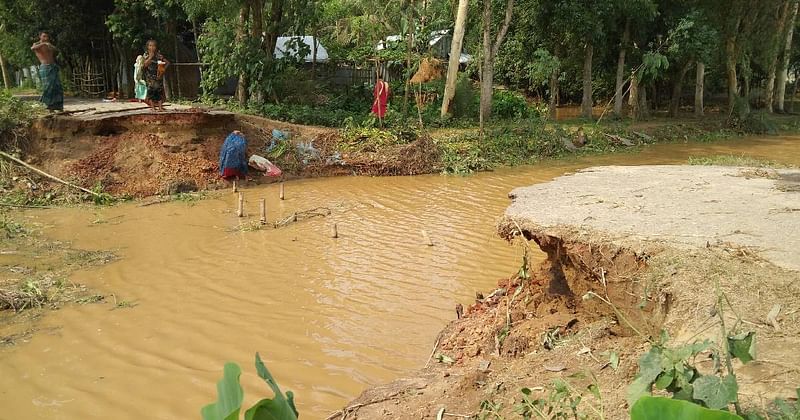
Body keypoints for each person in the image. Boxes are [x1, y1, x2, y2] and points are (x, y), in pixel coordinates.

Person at [30, 31, 63, 111]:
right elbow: (32, 48)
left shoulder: (49, 45)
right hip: (45, 67)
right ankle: (46, 105)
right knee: (48, 88)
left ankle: (58, 107)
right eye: (44, 36)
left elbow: (56, 50)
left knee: (57, 87)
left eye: (47, 36)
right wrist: (43, 44)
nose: (46, 38)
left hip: (53, 67)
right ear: (40, 37)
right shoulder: (36, 45)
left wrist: (49, 45)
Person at [142, 40, 170, 111]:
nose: (152, 47)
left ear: (156, 47)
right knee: (151, 91)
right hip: (149, 77)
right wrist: (150, 57)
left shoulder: (158, 55)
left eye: (154, 46)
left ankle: (160, 107)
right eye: (150, 45)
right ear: (147, 47)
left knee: (159, 91)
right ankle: (153, 107)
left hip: (158, 76)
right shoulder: (146, 55)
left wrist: (163, 70)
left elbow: (167, 63)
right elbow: (144, 65)